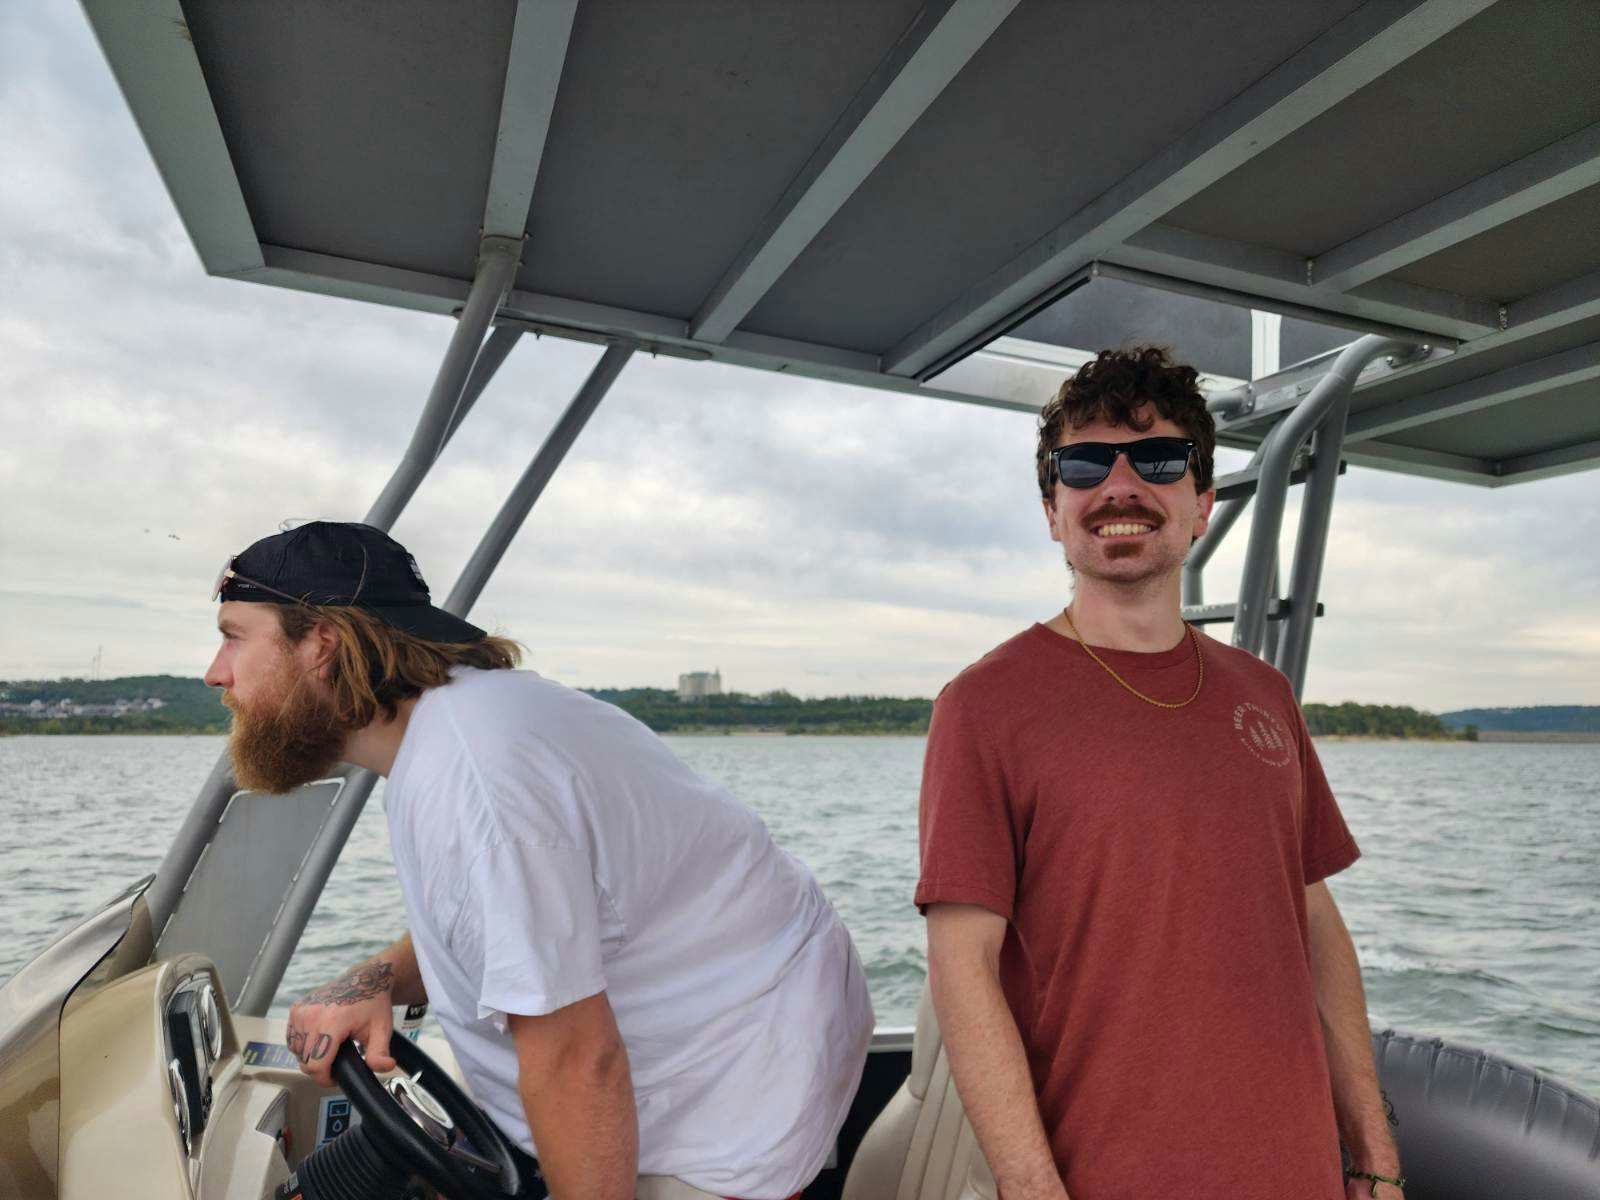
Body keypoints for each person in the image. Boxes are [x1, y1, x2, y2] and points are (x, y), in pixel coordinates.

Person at [205, 520, 873, 1200]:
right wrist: (374, 980)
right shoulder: (454, 733)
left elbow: (578, 1061)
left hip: (725, 1110)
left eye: (234, 636)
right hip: (725, 1052)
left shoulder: (477, 779)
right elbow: (501, 927)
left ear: (322, 644)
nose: (215, 673)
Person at [914, 347, 1403, 1200]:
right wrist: (1032, 1188)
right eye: (1085, 465)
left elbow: (1315, 921)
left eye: (1159, 461)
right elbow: (964, 969)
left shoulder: (1266, 696)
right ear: (1052, 509)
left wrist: (1374, 1153)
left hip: (1301, 1174)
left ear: (1202, 504)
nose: (1121, 486)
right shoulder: (984, 705)